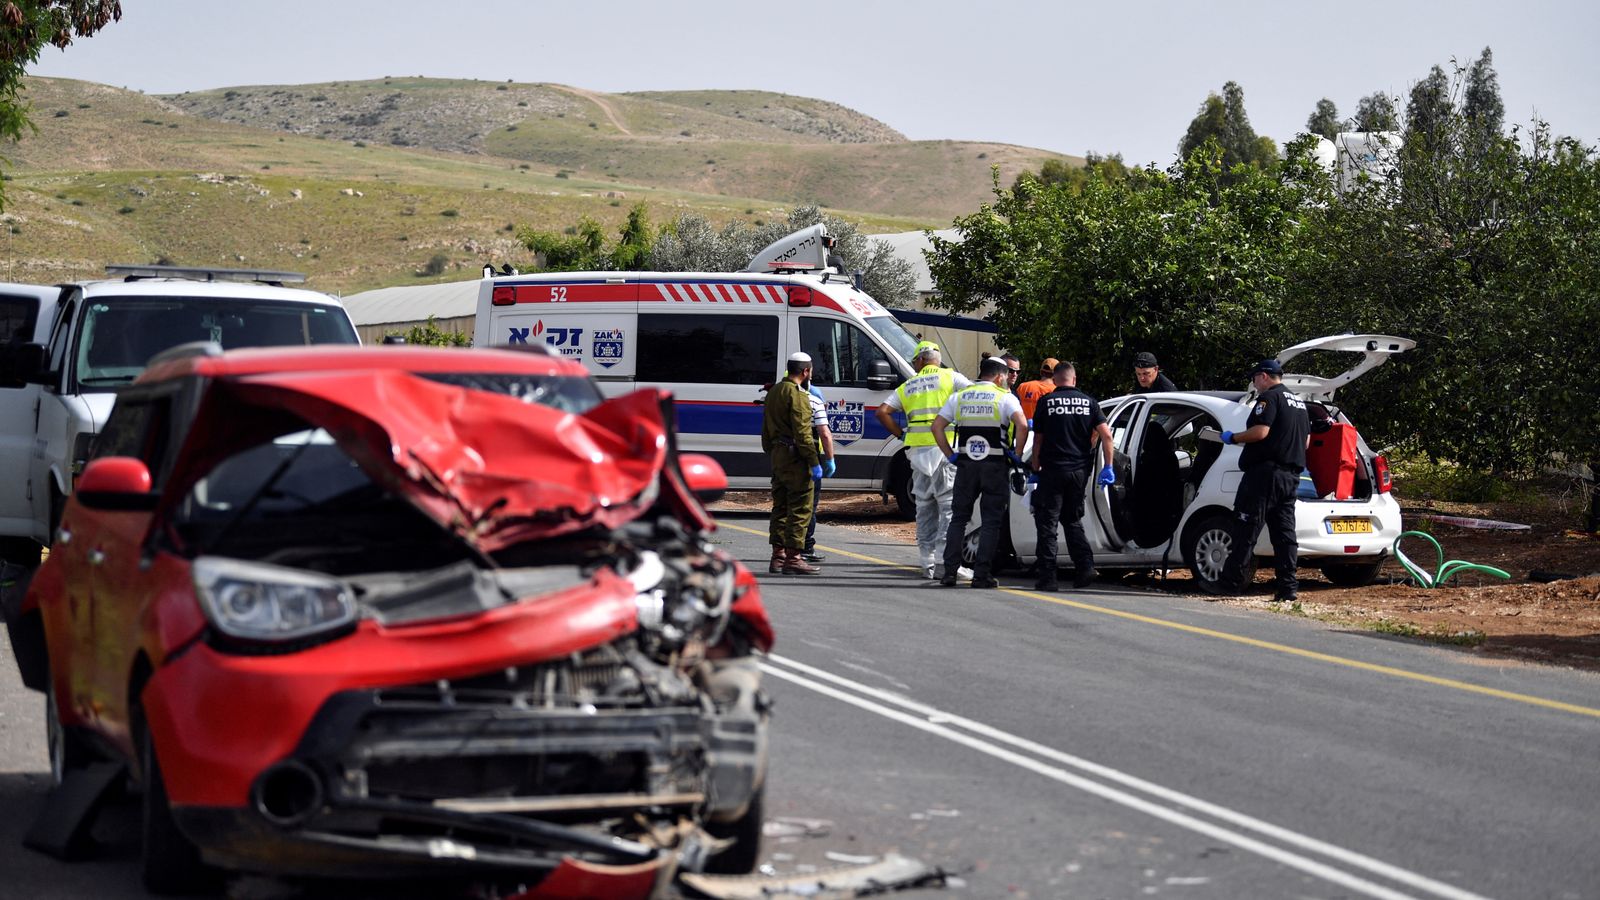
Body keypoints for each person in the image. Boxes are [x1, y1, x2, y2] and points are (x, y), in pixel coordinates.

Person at [1211, 358, 1310, 602]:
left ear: (1264, 376)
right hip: (1290, 476)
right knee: (1285, 534)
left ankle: (1230, 583)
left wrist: (1232, 438)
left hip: (1264, 475)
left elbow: (1261, 432)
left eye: (1255, 377)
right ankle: (1287, 588)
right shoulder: (1299, 403)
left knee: (1246, 527)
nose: (1254, 383)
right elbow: (1306, 441)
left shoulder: (1269, 398)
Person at [874, 342, 971, 579]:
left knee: (925, 508)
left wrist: (901, 434)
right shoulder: (951, 378)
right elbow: (973, 395)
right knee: (948, 508)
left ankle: (927, 563)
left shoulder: (909, 385)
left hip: (917, 454)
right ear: (936, 359)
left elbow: (882, 412)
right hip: (944, 451)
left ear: (920, 360)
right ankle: (944, 562)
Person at [933, 357, 1029, 589]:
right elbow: (1023, 425)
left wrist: (951, 455)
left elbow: (936, 427)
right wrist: (1016, 453)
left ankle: (949, 573)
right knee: (990, 521)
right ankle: (981, 574)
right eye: (1006, 376)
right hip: (995, 466)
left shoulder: (960, 397)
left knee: (959, 519)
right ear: (999, 377)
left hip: (966, 465)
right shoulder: (1005, 398)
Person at [1030, 362, 1115, 591]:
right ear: (1074, 380)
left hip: (1052, 471)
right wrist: (1108, 466)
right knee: (1072, 520)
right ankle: (1085, 567)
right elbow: (1106, 436)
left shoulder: (1046, 402)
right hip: (1079, 472)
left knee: (1048, 524)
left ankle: (1048, 578)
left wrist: (1034, 468)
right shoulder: (1090, 402)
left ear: (1055, 381)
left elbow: (1038, 440)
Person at [761, 351, 824, 576]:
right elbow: (804, 434)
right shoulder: (798, 395)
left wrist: (773, 451)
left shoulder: (774, 391)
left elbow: (766, 430)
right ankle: (794, 558)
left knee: (780, 506)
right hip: (795, 457)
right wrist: (814, 461)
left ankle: (777, 556)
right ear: (806, 371)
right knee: (800, 507)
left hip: (778, 454)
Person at [800, 376, 837, 563]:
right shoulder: (813, 399)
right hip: (808, 461)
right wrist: (830, 460)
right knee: (808, 506)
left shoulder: (776, 398)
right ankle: (805, 547)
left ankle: (781, 551)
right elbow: (824, 433)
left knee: (785, 505)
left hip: (783, 460)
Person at [1015, 357, 1058, 421]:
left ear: (1041, 371)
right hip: (1044, 430)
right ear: (1056, 374)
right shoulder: (1056, 391)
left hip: (1023, 428)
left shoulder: (1023, 387)